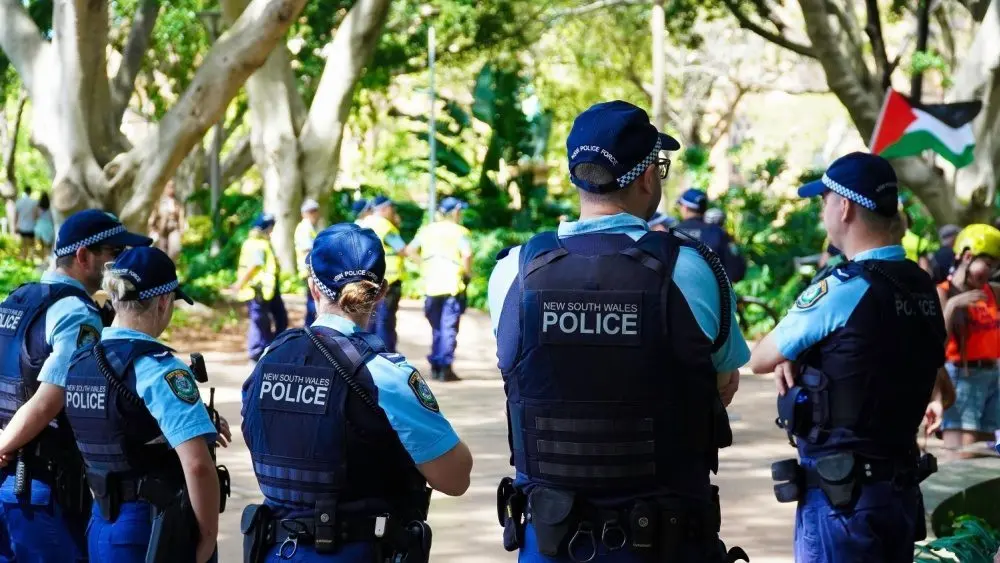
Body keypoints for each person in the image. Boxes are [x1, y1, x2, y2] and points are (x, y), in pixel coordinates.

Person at [488, 100, 749, 563]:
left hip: (551, 540)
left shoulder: (514, 272)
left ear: (577, 177)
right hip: (667, 541)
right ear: (647, 177)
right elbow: (723, 383)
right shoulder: (692, 271)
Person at [748, 152, 948, 562]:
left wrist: (794, 354)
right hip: (898, 494)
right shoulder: (921, 287)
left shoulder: (845, 288)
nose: (822, 212)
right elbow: (921, 373)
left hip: (842, 504)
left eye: (823, 202)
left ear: (844, 207)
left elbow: (761, 357)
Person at [240, 222, 473, 562]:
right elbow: (455, 478)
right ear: (381, 292)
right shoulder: (385, 375)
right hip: (358, 551)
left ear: (313, 288)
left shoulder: (268, 359)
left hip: (278, 550)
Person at [0, 209, 151, 560]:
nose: (120, 263)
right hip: (39, 489)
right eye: (114, 253)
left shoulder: (17, 300)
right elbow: (50, 398)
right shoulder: (77, 313)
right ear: (83, 256)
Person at [63, 246, 228, 562]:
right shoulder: (159, 368)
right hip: (150, 526)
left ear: (115, 298)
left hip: (100, 525)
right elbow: (197, 465)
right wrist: (207, 539)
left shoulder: (81, 361)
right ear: (163, 301)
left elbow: (121, 427)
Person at [936, 224, 1000, 458]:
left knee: (987, 457)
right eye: (988, 264)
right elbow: (937, 345)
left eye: (995, 266)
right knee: (961, 457)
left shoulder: (992, 291)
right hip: (962, 378)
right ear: (967, 256)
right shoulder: (943, 292)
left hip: (992, 377)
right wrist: (953, 306)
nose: (991, 271)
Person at [407, 197, 473, 382]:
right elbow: (467, 254)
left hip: (431, 285)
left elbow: (411, 250)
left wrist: (423, 265)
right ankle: (445, 367)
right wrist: (467, 273)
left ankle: (436, 365)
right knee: (448, 327)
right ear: (455, 212)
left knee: (436, 327)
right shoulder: (459, 231)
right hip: (452, 285)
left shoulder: (427, 230)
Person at [232, 213, 288, 362]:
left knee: (276, 319)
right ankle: (257, 353)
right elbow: (254, 265)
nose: (272, 231)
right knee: (260, 323)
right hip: (259, 290)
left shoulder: (261, 243)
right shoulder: (257, 244)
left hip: (267, 290)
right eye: (270, 228)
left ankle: (271, 349)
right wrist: (239, 284)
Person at [358, 196, 408, 352]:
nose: (394, 211)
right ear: (385, 208)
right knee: (385, 320)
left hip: (366, 279)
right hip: (388, 280)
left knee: (369, 319)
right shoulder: (385, 226)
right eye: (392, 208)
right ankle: (386, 354)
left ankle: (369, 352)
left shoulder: (363, 223)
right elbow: (402, 249)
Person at [675, 189, 746, 283]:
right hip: (710, 290)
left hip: (675, 290)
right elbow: (737, 271)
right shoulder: (718, 232)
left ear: (685, 207)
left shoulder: (672, 232)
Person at [296, 199, 322, 327]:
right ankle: (311, 330)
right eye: (311, 211)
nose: (314, 214)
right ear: (304, 213)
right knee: (313, 303)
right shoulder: (305, 228)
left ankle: (310, 329)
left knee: (312, 301)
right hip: (309, 269)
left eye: (315, 211)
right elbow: (308, 250)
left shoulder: (309, 227)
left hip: (309, 269)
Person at [146, 181, 186, 261]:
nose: (171, 189)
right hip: (161, 229)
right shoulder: (159, 201)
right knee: (161, 252)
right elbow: (153, 216)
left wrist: (182, 229)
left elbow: (181, 216)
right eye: (169, 186)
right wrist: (151, 228)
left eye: (172, 186)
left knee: (175, 249)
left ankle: (170, 264)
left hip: (173, 228)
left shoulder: (177, 201)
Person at [13, 187, 38, 260]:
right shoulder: (34, 202)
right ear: (30, 192)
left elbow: (16, 216)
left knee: (23, 244)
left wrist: (15, 226)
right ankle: (31, 258)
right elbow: (35, 215)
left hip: (22, 226)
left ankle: (24, 258)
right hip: (31, 226)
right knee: (31, 244)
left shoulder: (19, 202)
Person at [34, 192, 54, 257]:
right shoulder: (51, 206)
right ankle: (48, 258)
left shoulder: (38, 206)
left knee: (41, 246)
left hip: (40, 226)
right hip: (49, 226)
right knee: (48, 246)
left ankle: (43, 258)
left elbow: (35, 216)